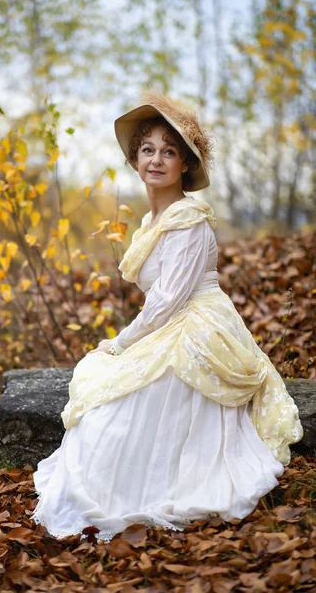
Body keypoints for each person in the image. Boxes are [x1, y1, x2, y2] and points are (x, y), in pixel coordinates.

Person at [30, 89, 303, 544]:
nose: (156, 159)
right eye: (147, 149)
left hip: (198, 327)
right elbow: (160, 304)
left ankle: (142, 487)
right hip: (175, 321)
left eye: (169, 151)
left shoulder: (189, 219)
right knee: (107, 394)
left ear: (185, 166)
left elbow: (167, 300)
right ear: (136, 160)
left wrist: (122, 342)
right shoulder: (151, 222)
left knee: (128, 392)